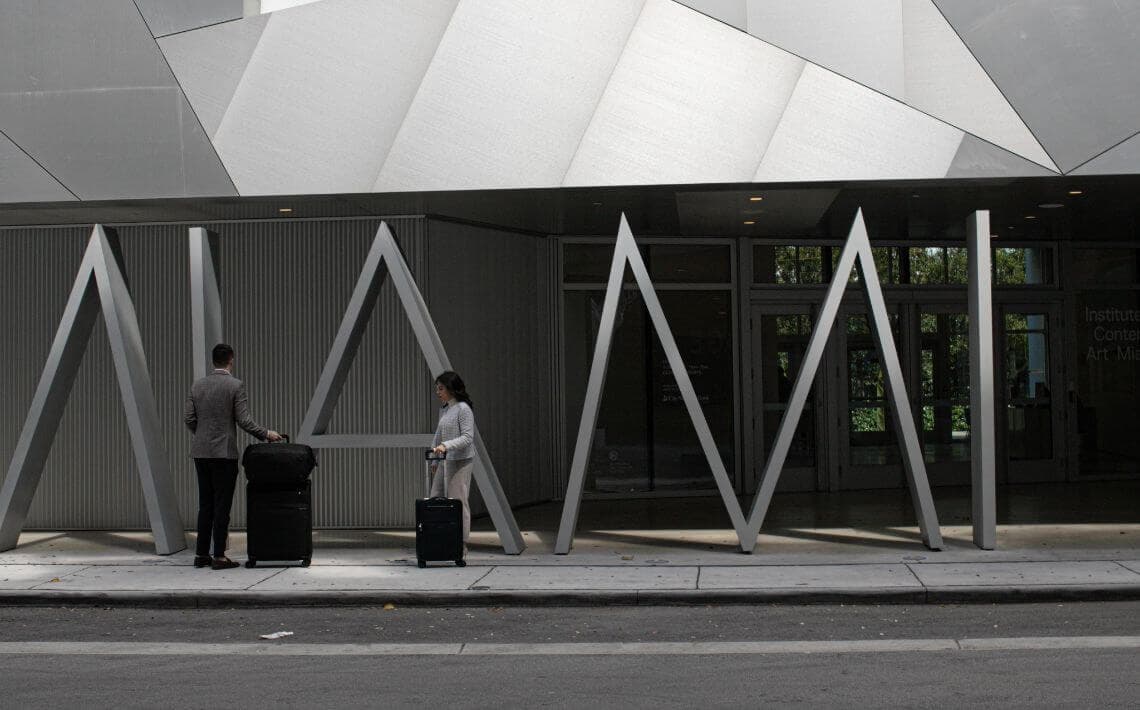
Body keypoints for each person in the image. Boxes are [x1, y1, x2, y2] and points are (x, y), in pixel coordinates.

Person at [183, 343, 281, 570]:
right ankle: (219, 556)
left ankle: (201, 555)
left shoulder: (197, 385)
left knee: (205, 504)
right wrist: (266, 434)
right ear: (231, 359)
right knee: (222, 505)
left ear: (213, 360)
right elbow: (244, 420)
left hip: (201, 453)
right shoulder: (235, 385)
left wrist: (203, 435)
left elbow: (189, 418)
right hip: (224, 454)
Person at [429, 371, 476, 547]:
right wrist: (435, 459)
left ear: (451, 389)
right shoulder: (446, 409)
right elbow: (438, 435)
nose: (438, 392)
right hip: (445, 460)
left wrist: (446, 446)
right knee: (436, 497)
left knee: (458, 501)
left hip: (460, 461)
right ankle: (439, 538)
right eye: (437, 389)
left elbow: (467, 438)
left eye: (441, 388)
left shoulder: (463, 409)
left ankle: (461, 544)